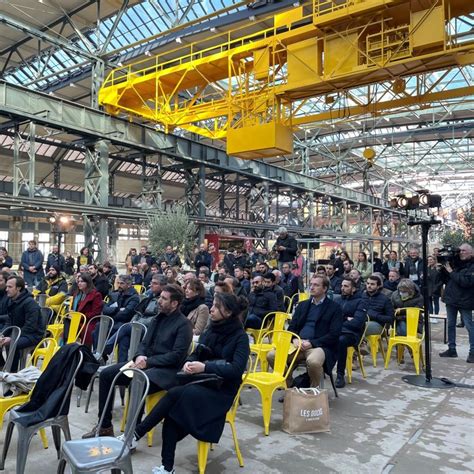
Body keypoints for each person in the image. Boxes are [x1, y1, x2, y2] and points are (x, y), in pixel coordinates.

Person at [121, 292, 249, 473]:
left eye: (215, 307)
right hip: (201, 382)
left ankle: (136, 434)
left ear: (227, 312)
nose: (211, 309)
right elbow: (199, 352)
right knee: (172, 415)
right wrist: (189, 361)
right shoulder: (212, 329)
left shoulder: (240, 337)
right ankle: (167, 468)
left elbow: (236, 370)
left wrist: (204, 367)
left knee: (174, 394)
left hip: (220, 393)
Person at [82, 284, 193, 438]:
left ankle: (131, 434)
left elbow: (177, 356)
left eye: (164, 299)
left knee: (137, 383)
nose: (159, 301)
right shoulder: (157, 318)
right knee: (107, 374)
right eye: (160, 297)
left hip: (166, 371)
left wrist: (148, 362)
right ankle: (104, 426)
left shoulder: (184, 324)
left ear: (174, 303)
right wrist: (139, 356)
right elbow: (144, 344)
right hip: (144, 364)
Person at [268, 275, 343, 387]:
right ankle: (289, 385)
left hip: (318, 346)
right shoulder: (302, 305)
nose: (311, 287)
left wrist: (312, 343)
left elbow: (334, 334)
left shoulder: (335, 308)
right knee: (272, 355)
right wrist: (294, 339)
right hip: (297, 344)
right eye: (311, 284)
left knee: (313, 362)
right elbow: (291, 327)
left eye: (316, 285)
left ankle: (312, 391)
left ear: (325, 289)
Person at [438, 243, 474, 363]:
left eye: (464, 251)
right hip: (451, 299)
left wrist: (451, 271)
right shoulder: (456, 263)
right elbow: (446, 279)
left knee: (469, 326)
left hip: (466, 301)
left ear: (471, 253)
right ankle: (451, 349)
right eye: (460, 250)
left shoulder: (472, 266)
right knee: (450, 325)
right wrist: (443, 268)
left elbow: (465, 282)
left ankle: (473, 352)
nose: (461, 252)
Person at [1, 276, 44, 371]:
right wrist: (2, 334)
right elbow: (9, 321)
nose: (6, 289)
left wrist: (12, 338)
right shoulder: (11, 300)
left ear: (19, 288)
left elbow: (31, 327)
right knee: (2, 340)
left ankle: (12, 374)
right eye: (6, 286)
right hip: (20, 332)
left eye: (10, 287)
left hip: (33, 335)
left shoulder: (30, 303)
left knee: (11, 344)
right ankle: (3, 368)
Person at [334, 278, 368, 388]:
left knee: (341, 341)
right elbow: (330, 318)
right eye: (342, 286)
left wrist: (340, 321)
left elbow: (357, 323)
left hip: (352, 334)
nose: (342, 288)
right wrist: (345, 318)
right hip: (337, 331)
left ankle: (340, 375)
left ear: (353, 289)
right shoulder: (337, 300)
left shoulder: (360, 302)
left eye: (346, 286)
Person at [100, 275, 140, 350]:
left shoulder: (134, 298)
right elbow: (104, 309)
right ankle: (100, 354)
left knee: (124, 338)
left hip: (125, 323)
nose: (119, 285)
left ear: (129, 285)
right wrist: (117, 309)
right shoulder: (116, 294)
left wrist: (111, 313)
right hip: (114, 322)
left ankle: (102, 352)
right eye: (118, 283)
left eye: (122, 283)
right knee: (99, 326)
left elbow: (125, 314)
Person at [70, 272, 104, 346]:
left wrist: (81, 316)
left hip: (89, 321)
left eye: (82, 281)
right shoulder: (78, 294)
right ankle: (67, 345)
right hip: (78, 320)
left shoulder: (96, 295)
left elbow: (96, 312)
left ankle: (71, 346)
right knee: (67, 322)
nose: (79, 283)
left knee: (74, 327)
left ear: (88, 283)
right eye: (78, 281)